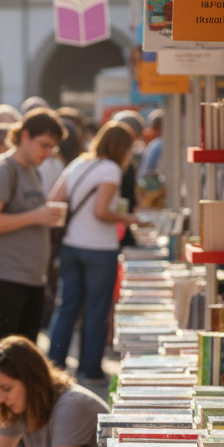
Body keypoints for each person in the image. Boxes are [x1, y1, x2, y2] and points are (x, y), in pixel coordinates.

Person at [0, 109, 65, 417]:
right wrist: (35, 216)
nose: (47, 153)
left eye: (52, 148)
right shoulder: (3, 170)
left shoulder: (33, 170)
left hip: (30, 279)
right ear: (24, 136)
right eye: (44, 145)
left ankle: (13, 420)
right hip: (4, 279)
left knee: (23, 358)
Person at [46, 120, 138, 383]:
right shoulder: (110, 169)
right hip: (99, 249)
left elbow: (55, 199)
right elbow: (101, 211)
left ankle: (54, 368)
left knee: (67, 308)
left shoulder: (78, 163)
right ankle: (89, 370)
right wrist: (131, 219)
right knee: (97, 312)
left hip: (71, 246)